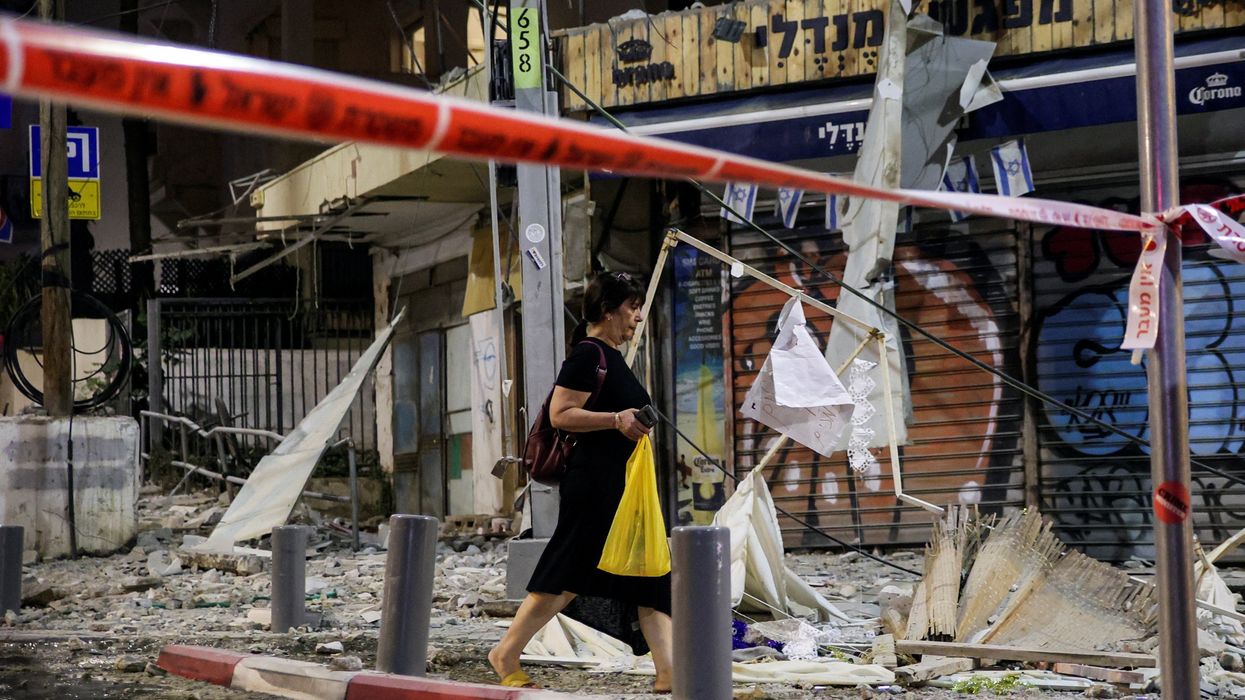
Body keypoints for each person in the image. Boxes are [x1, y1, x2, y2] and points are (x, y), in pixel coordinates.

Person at [489, 271, 673, 692]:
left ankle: (669, 672)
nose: (638, 317)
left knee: (651, 576)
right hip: (596, 487)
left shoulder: (611, 355)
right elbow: (561, 413)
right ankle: (505, 653)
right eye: (632, 308)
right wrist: (616, 418)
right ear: (608, 311)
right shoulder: (588, 355)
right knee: (568, 575)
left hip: (624, 489)